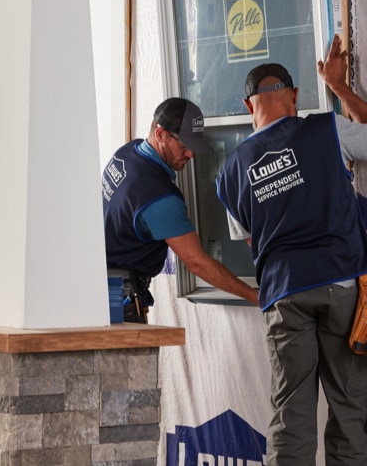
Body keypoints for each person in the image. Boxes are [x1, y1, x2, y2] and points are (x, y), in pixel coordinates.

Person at [215, 35, 367, 466]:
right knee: (350, 412)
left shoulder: (229, 173)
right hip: (342, 287)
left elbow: (252, 239)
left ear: (247, 106)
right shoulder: (327, 128)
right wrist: (339, 88)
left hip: (283, 294)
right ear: (293, 96)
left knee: (290, 414)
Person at [102, 97, 259, 323]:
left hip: (104, 284)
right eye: (183, 145)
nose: (191, 155)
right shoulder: (158, 196)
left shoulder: (128, 152)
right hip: (119, 298)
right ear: (160, 134)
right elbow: (196, 263)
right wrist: (255, 296)